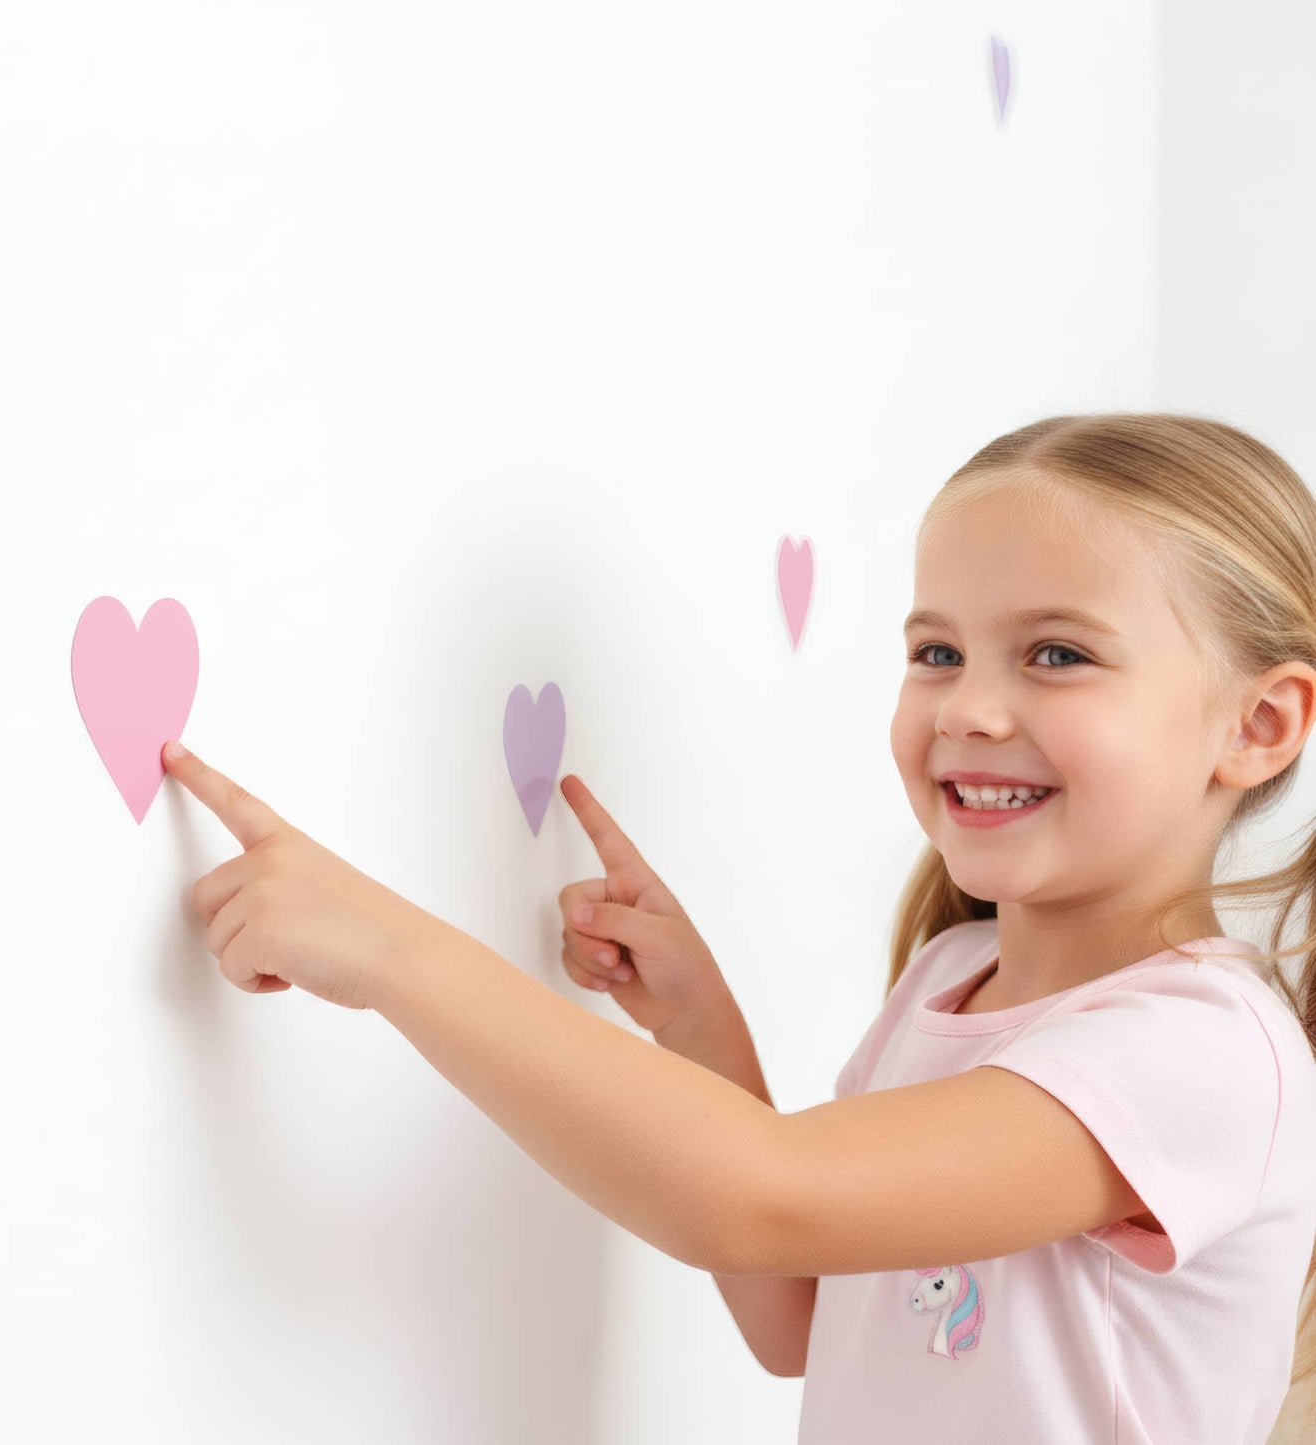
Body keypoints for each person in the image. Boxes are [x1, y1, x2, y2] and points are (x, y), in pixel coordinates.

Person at [164, 411, 1316, 1444]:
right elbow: (796, 1313)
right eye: (935, 652)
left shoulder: (1203, 1050)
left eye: (1055, 654)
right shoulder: (948, 975)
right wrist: (699, 1029)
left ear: (1258, 724)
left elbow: (759, 1197)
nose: (967, 705)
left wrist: (390, 951)